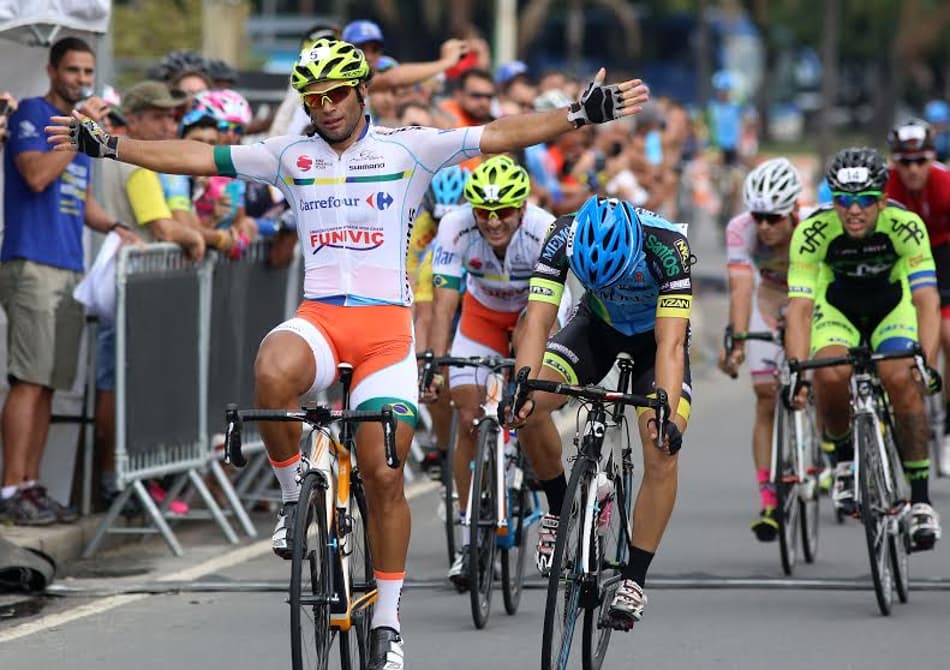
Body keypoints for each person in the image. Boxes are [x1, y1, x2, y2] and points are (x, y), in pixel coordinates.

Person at [47, 37, 648, 668]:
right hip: (321, 319)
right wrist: (110, 146)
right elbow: (197, 157)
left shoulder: (408, 147)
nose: (326, 106)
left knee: (383, 472)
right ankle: (293, 498)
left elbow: (496, 135)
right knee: (271, 367)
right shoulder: (288, 154)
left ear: (362, 91)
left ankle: (387, 621)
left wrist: (579, 114)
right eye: (313, 98)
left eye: (336, 93)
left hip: (385, 333)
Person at [504, 195, 692, 630]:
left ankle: (635, 579)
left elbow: (671, 345)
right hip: (596, 329)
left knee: (660, 445)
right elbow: (537, 321)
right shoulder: (561, 235)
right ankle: (558, 509)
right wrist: (523, 385)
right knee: (527, 408)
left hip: (654, 341)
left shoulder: (668, 246)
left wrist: (664, 410)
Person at [0, 37, 135, 525]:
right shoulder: (31, 114)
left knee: (49, 384)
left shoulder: (78, 131)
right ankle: (10, 487)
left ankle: (31, 485)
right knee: (29, 379)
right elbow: (36, 175)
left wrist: (116, 228)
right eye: (73, 70)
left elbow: (81, 200)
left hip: (69, 267)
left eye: (87, 72)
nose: (81, 79)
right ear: (52, 70)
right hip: (31, 261)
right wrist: (78, 132)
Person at [785, 147, 942, 551]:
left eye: (866, 200)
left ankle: (921, 499)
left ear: (882, 200)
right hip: (839, 310)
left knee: (900, 378)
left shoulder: (906, 225)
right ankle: (842, 462)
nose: (854, 210)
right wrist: (797, 371)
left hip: (892, 308)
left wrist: (925, 362)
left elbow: (926, 299)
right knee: (828, 372)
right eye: (844, 200)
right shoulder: (813, 231)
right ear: (833, 199)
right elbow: (800, 309)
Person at [422, 155, 563, 588]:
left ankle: (525, 454)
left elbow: (549, 314)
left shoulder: (544, 229)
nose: (493, 221)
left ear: (522, 207)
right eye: (484, 212)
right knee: (467, 415)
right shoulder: (455, 226)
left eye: (503, 211)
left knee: (525, 395)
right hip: (481, 315)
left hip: (532, 312)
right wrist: (435, 364)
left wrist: (538, 369)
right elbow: (444, 303)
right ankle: (468, 542)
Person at [93, 81, 207, 506]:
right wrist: (197, 237)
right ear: (134, 118)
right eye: (158, 117)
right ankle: (117, 481)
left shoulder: (111, 155)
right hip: (130, 291)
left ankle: (116, 479)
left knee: (115, 384)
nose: (168, 126)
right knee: (120, 387)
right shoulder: (137, 163)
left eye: (172, 117)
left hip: (117, 286)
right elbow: (162, 227)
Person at [717, 158, 803, 540]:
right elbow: (741, 287)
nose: (765, 226)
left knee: (816, 375)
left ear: (794, 210)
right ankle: (768, 498)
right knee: (765, 394)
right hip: (768, 299)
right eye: (759, 217)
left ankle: (826, 451)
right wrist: (736, 339)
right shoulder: (740, 228)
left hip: (807, 299)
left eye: (774, 218)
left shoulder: (812, 225)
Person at [884, 119, 950, 476]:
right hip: (902, 259)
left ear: (932, 158)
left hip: (943, 255)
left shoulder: (945, 183)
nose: (912, 170)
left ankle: (948, 426)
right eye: (904, 162)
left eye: (921, 161)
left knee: (948, 336)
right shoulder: (885, 187)